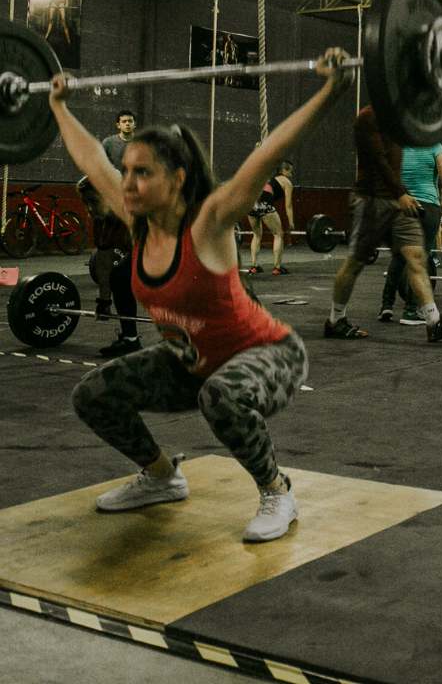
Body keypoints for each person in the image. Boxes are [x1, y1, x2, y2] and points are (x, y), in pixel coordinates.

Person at [48, 49, 353, 542]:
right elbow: (88, 157)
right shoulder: (137, 222)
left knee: (222, 396)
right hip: (192, 365)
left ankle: (278, 491)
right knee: (93, 395)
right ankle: (163, 477)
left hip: (269, 356)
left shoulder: (208, 224)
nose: (127, 182)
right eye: (126, 171)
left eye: (142, 172)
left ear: (178, 179)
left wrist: (331, 90)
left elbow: (267, 155)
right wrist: (57, 106)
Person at [327, 106, 442, 343]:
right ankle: (335, 319)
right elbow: (379, 160)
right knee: (355, 262)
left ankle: (433, 322)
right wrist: (400, 193)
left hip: (400, 200)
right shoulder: (368, 117)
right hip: (373, 199)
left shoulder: (404, 119)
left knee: (416, 256)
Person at [379, 144, 442, 325]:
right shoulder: (434, 147)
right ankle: (409, 311)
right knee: (420, 258)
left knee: (399, 256)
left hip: (401, 206)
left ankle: (386, 305)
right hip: (426, 206)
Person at [77, 176, 140, 358]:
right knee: (119, 275)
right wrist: (104, 301)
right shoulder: (103, 221)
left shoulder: (140, 211)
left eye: (94, 201)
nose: (89, 209)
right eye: (86, 203)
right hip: (143, 250)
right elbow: (104, 264)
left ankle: (178, 339)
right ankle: (130, 340)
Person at [247, 160, 294, 276]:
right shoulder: (286, 182)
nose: (291, 175)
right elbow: (288, 205)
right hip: (264, 203)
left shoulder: (269, 180)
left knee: (257, 234)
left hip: (251, 203)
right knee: (278, 234)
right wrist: (291, 224)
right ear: (284, 170)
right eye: (290, 172)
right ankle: (277, 267)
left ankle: (254, 266)